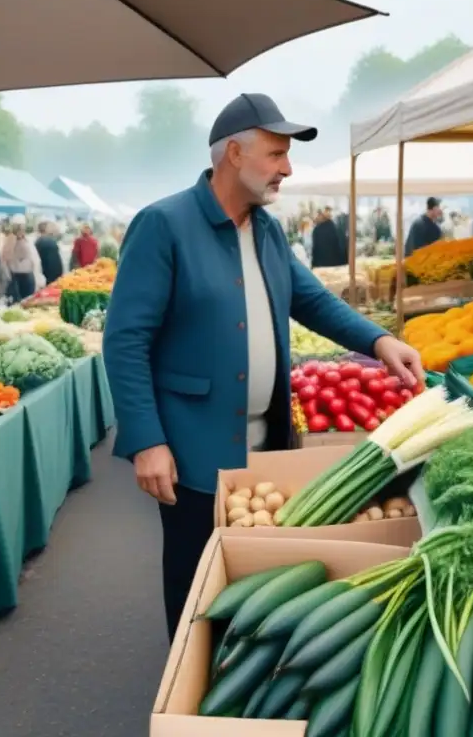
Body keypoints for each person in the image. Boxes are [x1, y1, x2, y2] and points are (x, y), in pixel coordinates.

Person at [103, 93, 423, 642]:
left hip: (264, 443)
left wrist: (378, 340)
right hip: (189, 448)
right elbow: (125, 340)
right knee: (194, 581)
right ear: (233, 153)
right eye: (276, 154)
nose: (288, 167)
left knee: (253, 578)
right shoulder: (164, 224)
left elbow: (313, 301)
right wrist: (146, 439)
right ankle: (191, 695)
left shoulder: (268, 230)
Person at [5, 223, 37, 301]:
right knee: (22, 297)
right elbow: (7, 256)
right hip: (18, 272)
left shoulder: (26, 240)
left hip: (26, 271)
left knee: (27, 297)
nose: (22, 232)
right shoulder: (11, 240)